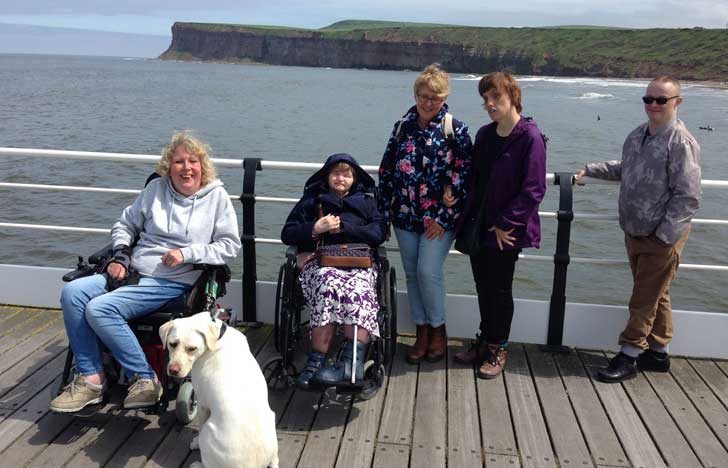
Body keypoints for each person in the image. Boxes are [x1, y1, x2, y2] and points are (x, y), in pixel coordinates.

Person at [51, 132, 241, 413]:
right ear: (168, 166)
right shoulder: (155, 190)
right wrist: (121, 255)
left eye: (193, 161)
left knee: (100, 309)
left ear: (203, 166)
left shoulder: (217, 198)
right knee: (73, 292)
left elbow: (229, 246)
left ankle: (145, 378)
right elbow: (125, 225)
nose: (186, 168)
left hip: (173, 281)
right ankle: (91, 378)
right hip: (134, 271)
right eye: (178, 162)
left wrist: (187, 253)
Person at [575, 76, 701, 383]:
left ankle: (630, 355)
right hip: (634, 230)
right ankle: (658, 352)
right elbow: (625, 167)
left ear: (677, 102)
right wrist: (590, 169)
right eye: (649, 99)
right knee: (658, 293)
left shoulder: (682, 142)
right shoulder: (637, 136)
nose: (654, 105)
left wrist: (664, 236)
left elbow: (688, 195)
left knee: (643, 297)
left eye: (662, 100)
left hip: (660, 236)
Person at [452, 72, 547, 379]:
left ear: (512, 98)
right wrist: (452, 192)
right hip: (481, 224)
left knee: (500, 289)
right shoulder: (485, 135)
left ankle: (499, 347)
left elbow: (533, 189)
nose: (490, 104)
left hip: (507, 231)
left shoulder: (530, 137)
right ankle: (485, 339)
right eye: (486, 99)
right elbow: (474, 178)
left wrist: (506, 223)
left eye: (496, 98)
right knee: (483, 286)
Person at [378, 63, 472, 364]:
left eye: (435, 97)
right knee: (412, 275)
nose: (428, 102)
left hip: (438, 220)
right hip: (405, 215)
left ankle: (438, 330)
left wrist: (445, 216)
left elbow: (466, 173)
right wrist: (384, 212)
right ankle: (421, 332)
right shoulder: (402, 126)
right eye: (423, 96)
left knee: (428, 272)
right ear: (416, 95)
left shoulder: (455, 129)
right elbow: (387, 169)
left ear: (444, 97)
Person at [281, 153, 387, 389]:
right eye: (336, 173)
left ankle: (352, 362)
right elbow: (287, 233)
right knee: (328, 285)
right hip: (320, 264)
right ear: (327, 176)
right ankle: (316, 362)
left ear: (354, 178)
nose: (340, 178)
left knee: (358, 289)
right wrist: (315, 228)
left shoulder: (367, 202)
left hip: (358, 264)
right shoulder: (312, 201)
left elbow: (379, 234)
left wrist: (345, 228)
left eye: (346, 173)